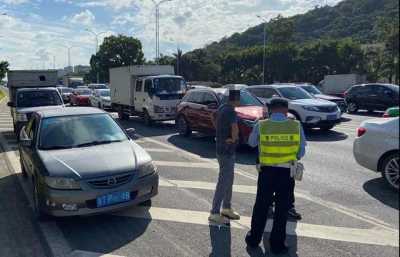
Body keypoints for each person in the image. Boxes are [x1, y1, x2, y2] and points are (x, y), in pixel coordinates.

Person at [245, 98, 306, 254]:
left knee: (261, 206)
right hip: (286, 173)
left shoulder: (262, 124)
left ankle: (254, 239)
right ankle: (277, 244)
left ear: (270, 110)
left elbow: (251, 143)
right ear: (286, 110)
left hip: (266, 173)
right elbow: (301, 153)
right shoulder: (296, 126)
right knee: (282, 209)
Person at [208, 89, 241, 224]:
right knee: (223, 181)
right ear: (235, 99)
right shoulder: (231, 111)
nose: (240, 101)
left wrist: (220, 132)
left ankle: (226, 208)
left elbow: (212, 116)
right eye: (239, 99)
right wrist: (234, 139)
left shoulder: (222, 108)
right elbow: (235, 128)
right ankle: (214, 212)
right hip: (227, 150)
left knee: (228, 179)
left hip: (220, 148)